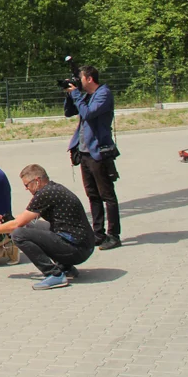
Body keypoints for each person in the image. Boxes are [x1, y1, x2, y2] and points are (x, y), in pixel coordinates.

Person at [0, 164, 95, 290]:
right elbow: (25, 218)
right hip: (83, 245)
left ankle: (54, 274)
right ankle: (66, 267)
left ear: (37, 181)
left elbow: (17, 225)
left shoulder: (45, 194)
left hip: (77, 249)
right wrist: (6, 221)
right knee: (29, 226)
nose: (26, 188)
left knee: (18, 234)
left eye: (26, 185)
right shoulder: (52, 188)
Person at [65, 65, 121, 250]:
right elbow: (70, 112)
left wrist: (76, 96)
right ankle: (98, 233)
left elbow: (88, 113)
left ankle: (114, 235)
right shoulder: (86, 96)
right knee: (93, 195)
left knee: (107, 195)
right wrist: (69, 94)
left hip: (98, 151)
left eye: (79, 79)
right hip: (85, 153)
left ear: (89, 79)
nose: (78, 82)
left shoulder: (103, 94)